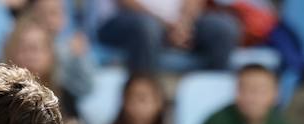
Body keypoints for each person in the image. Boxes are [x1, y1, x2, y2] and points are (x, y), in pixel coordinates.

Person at [93, 0, 241, 74]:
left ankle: (210, 95)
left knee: (223, 28)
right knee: (147, 28)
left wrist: (185, 23)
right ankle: (144, 92)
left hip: (177, 24)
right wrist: (166, 26)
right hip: (123, 22)